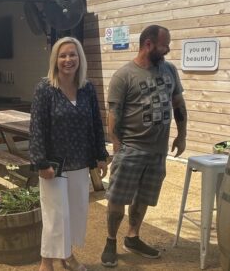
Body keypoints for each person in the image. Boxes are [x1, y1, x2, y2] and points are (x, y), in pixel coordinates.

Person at [100, 25, 188, 268]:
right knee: (118, 197)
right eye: (164, 44)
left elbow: (178, 103)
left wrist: (182, 135)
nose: (168, 50)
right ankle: (110, 241)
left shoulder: (169, 70)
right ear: (148, 44)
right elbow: (113, 114)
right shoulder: (124, 75)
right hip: (132, 148)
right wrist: (117, 145)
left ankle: (133, 236)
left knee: (144, 198)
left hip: (157, 151)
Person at [28, 37, 108, 271]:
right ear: (55, 60)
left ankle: (66, 255)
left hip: (80, 161)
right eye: (62, 55)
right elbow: (37, 127)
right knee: (55, 214)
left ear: (79, 58)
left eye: (72, 54)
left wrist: (100, 155)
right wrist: (40, 162)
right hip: (54, 163)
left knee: (75, 211)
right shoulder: (45, 88)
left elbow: (95, 122)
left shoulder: (87, 88)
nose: (68, 60)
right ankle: (46, 262)